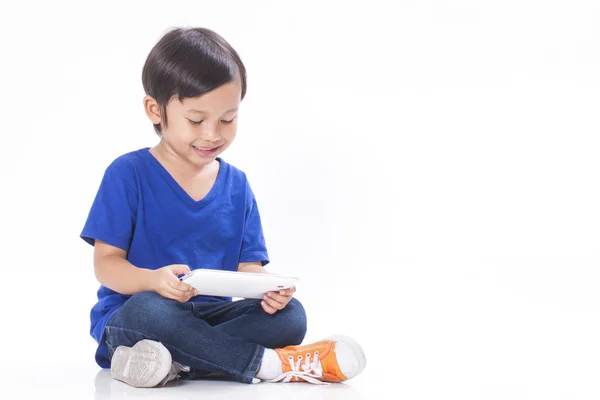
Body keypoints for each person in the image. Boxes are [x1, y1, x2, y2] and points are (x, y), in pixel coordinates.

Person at [80, 26, 366, 388]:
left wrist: (269, 290)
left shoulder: (238, 186)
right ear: (156, 110)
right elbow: (106, 265)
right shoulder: (128, 174)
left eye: (227, 119)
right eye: (196, 120)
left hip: (212, 317)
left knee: (291, 317)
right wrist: (151, 280)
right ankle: (268, 365)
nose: (213, 134)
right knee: (149, 310)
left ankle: (176, 362)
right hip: (140, 316)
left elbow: (248, 268)